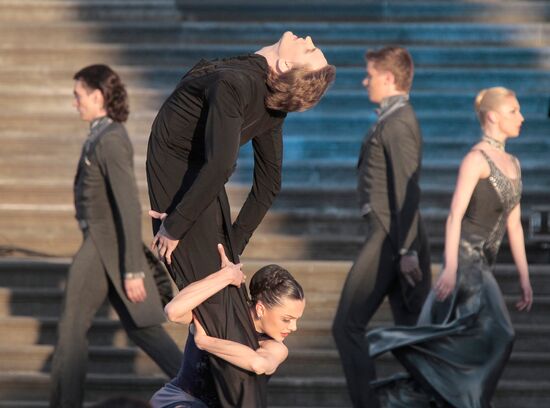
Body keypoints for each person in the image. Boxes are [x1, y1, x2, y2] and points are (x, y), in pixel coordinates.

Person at [146, 31, 334, 407]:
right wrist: (231, 248)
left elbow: (224, 164)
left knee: (213, 317)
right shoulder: (255, 87)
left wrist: (176, 224)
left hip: (188, 201)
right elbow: (269, 185)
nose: (308, 37)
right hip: (197, 200)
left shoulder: (236, 83)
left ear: (283, 66)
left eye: (309, 49)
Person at [367, 87, 534, 407]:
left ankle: (419, 397)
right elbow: (454, 217)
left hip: (484, 263)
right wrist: (451, 268)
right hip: (467, 261)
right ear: (493, 117)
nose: (522, 117)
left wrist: (525, 278)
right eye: (514, 111)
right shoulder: (476, 159)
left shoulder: (513, 163)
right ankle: (466, 400)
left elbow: (513, 225)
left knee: (465, 338)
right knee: (502, 334)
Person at [49, 65, 182, 408]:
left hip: (101, 246)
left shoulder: (110, 140)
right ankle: (205, 387)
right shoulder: (102, 134)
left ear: (98, 96)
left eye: (79, 95)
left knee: (70, 332)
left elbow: (128, 205)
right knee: (142, 329)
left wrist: (134, 270)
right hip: (102, 246)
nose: (74, 102)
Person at [332, 46, 432, 408]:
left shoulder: (400, 121)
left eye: (370, 74)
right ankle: (437, 396)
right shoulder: (393, 118)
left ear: (388, 78)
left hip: (390, 237)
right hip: (392, 235)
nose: (364, 81)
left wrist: (406, 250)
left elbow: (408, 188)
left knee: (346, 327)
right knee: (412, 334)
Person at [150, 244, 305, 408]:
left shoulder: (276, 347)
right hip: (180, 400)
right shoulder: (222, 313)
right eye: (287, 319)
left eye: (297, 319)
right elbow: (173, 311)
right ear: (260, 309)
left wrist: (204, 341)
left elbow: (258, 363)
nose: (294, 327)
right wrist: (225, 277)